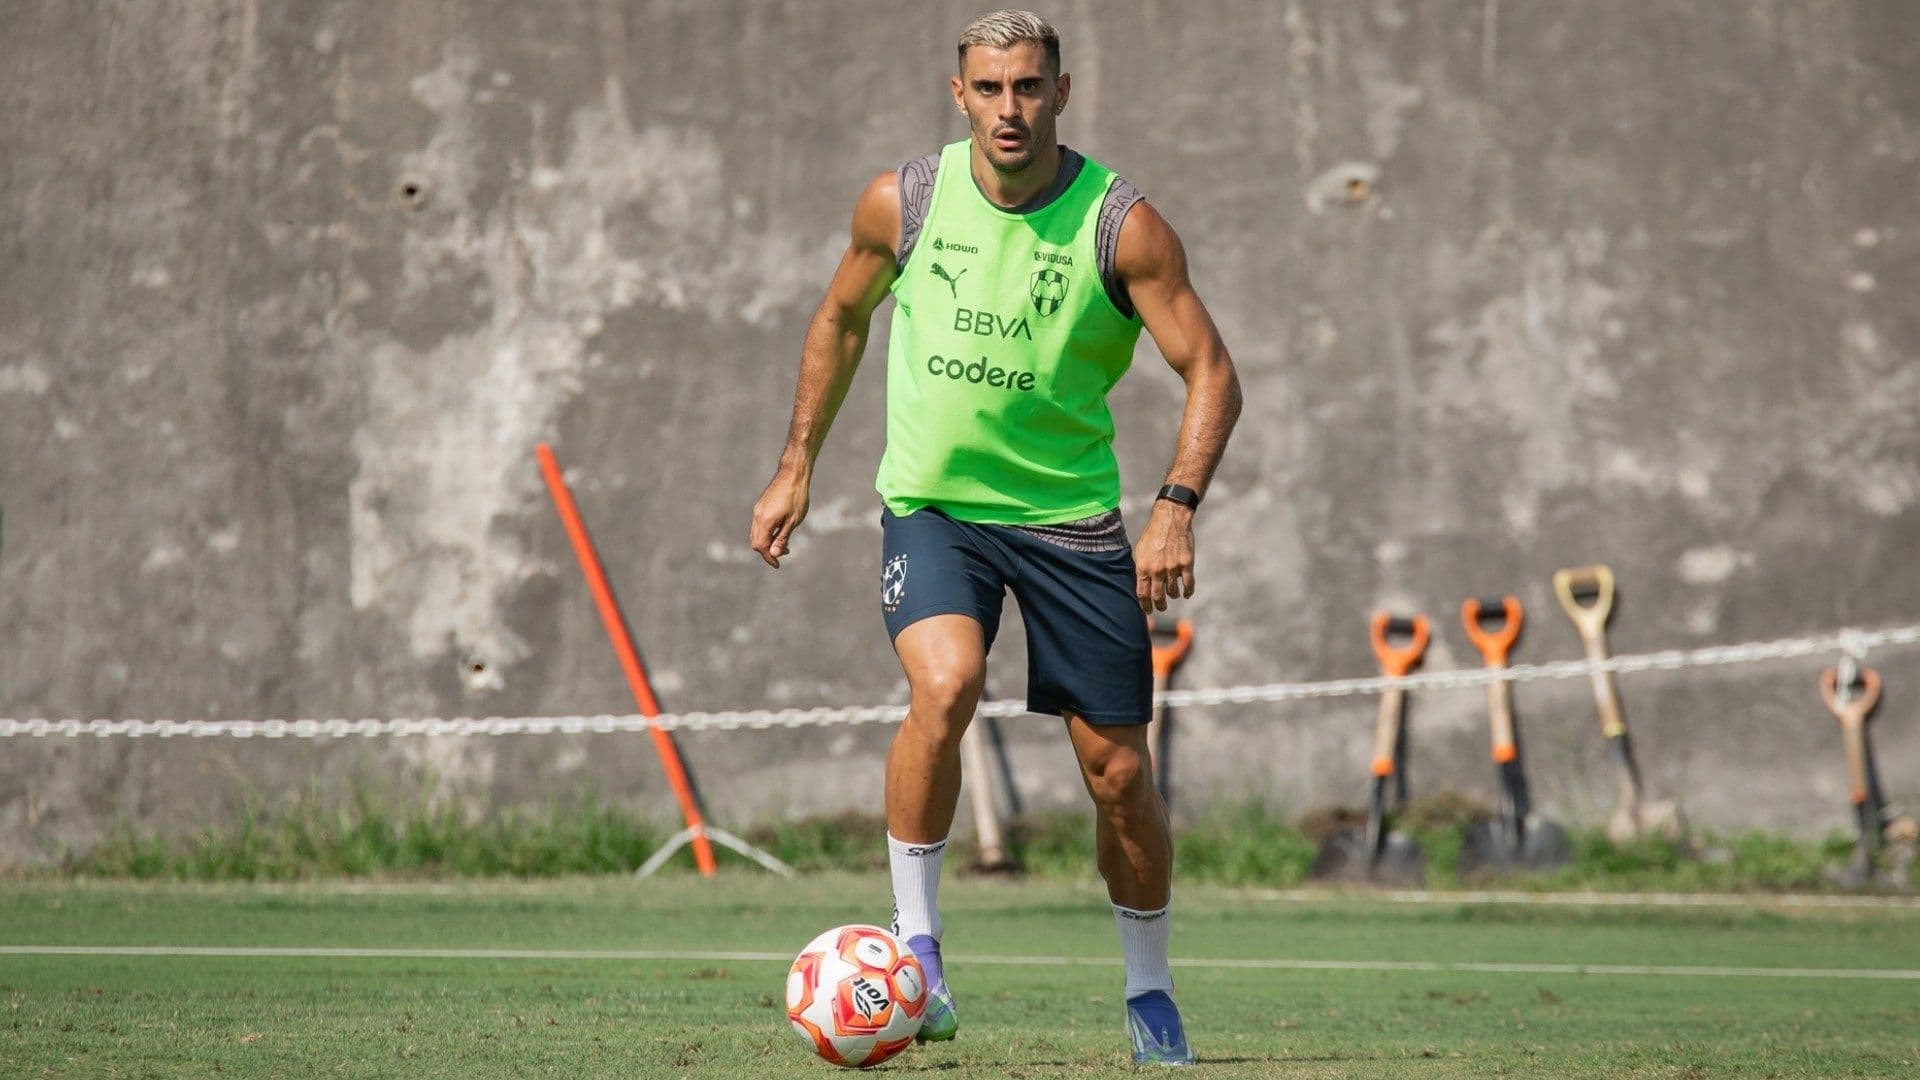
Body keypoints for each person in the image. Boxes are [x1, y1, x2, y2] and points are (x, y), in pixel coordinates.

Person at [750, 9, 1240, 1066]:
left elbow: (1211, 369)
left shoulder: (1124, 225)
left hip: (1070, 522)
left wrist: (1175, 505)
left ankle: (1149, 988)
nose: (1008, 107)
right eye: (989, 88)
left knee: (1119, 779)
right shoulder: (906, 201)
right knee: (945, 683)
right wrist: (797, 463)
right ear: (958, 91)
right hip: (935, 508)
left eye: (1028, 87)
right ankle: (917, 950)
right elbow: (839, 319)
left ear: (1061, 93)